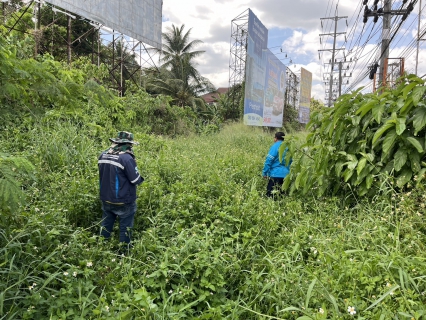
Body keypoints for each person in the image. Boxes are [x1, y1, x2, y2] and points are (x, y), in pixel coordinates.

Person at [98, 131, 144, 249]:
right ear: (127, 144)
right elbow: (135, 180)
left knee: (106, 224)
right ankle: (124, 252)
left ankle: (101, 247)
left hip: (105, 198)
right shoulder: (126, 158)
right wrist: (140, 178)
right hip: (123, 200)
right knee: (125, 227)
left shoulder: (103, 155)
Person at [262, 131, 291, 198]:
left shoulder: (275, 146)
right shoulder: (288, 147)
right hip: (286, 176)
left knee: (270, 196)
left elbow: (269, 160)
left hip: (275, 175)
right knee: (281, 196)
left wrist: (265, 173)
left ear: (275, 138)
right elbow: (290, 162)